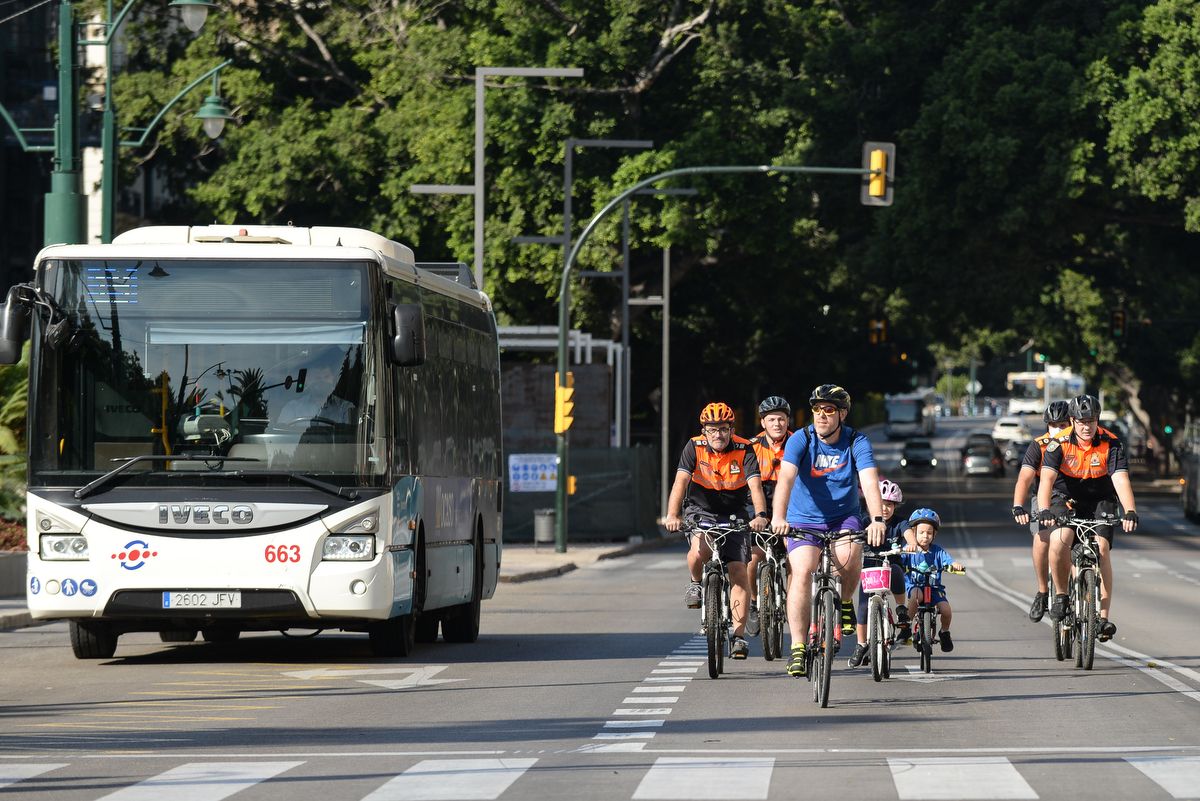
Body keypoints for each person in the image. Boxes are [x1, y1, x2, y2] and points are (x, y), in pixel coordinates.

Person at [769, 384, 887, 678]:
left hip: (842, 517)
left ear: (842, 414)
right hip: (802, 519)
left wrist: (876, 519)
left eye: (829, 410)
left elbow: (869, 481)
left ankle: (845, 601)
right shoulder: (801, 439)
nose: (821, 415)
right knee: (802, 571)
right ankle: (797, 647)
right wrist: (778, 517)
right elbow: (785, 479)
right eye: (817, 409)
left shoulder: (856, 441)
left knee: (849, 557)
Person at [664, 402, 770, 660]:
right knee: (699, 548)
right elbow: (680, 482)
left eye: (723, 429)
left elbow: (755, 486)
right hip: (701, 508)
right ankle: (695, 584)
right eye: (712, 430)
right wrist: (673, 515)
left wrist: (760, 515)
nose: (718, 435)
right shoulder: (694, 446)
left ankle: (739, 636)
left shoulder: (745, 449)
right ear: (704, 431)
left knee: (738, 571)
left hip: (734, 512)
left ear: (731, 429)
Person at [1036, 394, 1138, 641]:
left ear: (1097, 420)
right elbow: (1047, 480)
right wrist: (1044, 509)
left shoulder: (1111, 443)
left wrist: (1130, 510)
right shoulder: (1058, 443)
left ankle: (1102, 618)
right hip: (1066, 497)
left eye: (1091, 420)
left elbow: (1120, 479)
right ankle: (1061, 595)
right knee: (1060, 539)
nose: (1086, 426)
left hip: (1100, 498)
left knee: (1102, 548)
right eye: (1081, 421)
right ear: (1072, 421)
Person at [1010, 400, 1071, 622]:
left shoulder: (1078, 443)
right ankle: (1043, 592)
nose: (1059, 429)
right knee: (1042, 538)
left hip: (1073, 498)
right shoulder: (1039, 445)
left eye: (1063, 424)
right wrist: (1018, 505)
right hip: (1045, 499)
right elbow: (1025, 478)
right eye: (1054, 425)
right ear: (1047, 426)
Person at [847, 478, 911, 667]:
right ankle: (860, 644)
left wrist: (912, 543)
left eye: (889, 504)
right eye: (881, 504)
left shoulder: (900, 523)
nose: (885, 509)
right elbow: (853, 534)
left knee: (898, 571)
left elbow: (908, 534)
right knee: (863, 607)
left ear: (895, 506)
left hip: (891, 566)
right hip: (870, 569)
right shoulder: (865, 521)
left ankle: (900, 608)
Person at [745, 395, 793, 638]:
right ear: (763, 422)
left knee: (796, 559)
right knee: (753, 558)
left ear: (787, 421)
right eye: (772, 419)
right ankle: (754, 602)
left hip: (791, 504)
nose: (777, 424)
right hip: (759, 502)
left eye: (781, 419)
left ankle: (794, 601)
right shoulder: (751, 445)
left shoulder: (799, 442)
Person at [900, 508, 965, 652]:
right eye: (921, 532)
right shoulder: (909, 549)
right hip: (915, 585)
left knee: (946, 610)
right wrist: (897, 563)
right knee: (917, 596)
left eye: (929, 533)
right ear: (913, 532)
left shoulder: (937, 551)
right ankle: (907, 627)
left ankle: (944, 632)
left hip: (935, 589)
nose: (925, 536)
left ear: (934, 534)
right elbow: (899, 561)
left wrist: (955, 565)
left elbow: (949, 561)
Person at [278, 361, 355, 426]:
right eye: (317, 378)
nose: (322, 381)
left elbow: (352, 440)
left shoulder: (346, 408)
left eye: (326, 377)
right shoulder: (292, 408)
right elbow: (280, 439)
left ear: (334, 380)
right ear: (308, 382)